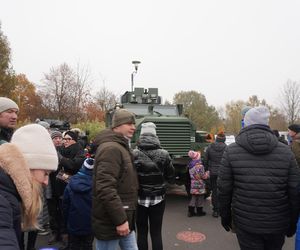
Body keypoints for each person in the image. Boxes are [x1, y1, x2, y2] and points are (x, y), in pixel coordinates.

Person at [218, 106, 300, 250]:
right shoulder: (286, 152)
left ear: (246, 123)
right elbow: (294, 191)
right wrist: (292, 223)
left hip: (245, 224)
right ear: (266, 124)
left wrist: (225, 217)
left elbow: (224, 189)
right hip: (277, 224)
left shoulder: (231, 151)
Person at [0, 124, 58, 250]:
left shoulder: (8, 191)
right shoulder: (3, 200)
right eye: (45, 173)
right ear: (29, 166)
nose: (46, 182)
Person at [92, 109, 138, 250]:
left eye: (134, 124)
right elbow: (105, 188)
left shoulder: (120, 147)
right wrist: (120, 220)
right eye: (129, 123)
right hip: (111, 223)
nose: (133, 127)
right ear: (117, 126)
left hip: (123, 219)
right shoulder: (111, 149)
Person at [133, 122, 174, 250]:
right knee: (156, 233)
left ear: (141, 135)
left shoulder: (133, 153)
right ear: (155, 135)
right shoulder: (164, 154)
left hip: (139, 199)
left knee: (141, 233)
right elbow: (171, 177)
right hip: (158, 198)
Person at [56, 130, 85, 249]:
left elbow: (74, 165)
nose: (65, 141)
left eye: (68, 139)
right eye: (64, 139)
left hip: (74, 188)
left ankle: (73, 241)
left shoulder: (79, 151)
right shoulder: (61, 150)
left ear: (74, 140)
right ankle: (64, 237)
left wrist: (61, 159)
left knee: (72, 214)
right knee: (61, 212)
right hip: (60, 187)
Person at [63, 158, 94, 250]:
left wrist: (65, 223)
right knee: (88, 246)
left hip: (73, 223)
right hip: (90, 224)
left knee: (74, 245)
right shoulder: (96, 184)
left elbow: (65, 205)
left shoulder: (71, 183)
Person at [203, 131, 227, 218]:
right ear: (224, 139)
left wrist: (205, 170)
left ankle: (215, 210)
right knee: (222, 191)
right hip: (223, 173)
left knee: (214, 190)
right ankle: (221, 209)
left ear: (216, 138)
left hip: (212, 172)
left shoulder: (210, 147)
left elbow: (205, 159)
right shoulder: (226, 148)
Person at [47, 130, 64, 245]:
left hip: (62, 186)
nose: (58, 140)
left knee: (62, 211)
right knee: (52, 212)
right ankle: (54, 232)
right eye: (55, 138)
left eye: (59, 138)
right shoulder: (47, 151)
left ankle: (63, 234)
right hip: (50, 186)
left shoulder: (65, 151)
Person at [187, 150, 209, 217]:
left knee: (193, 197)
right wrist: (208, 173)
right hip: (200, 184)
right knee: (200, 198)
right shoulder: (200, 166)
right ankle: (199, 212)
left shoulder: (190, 165)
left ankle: (191, 212)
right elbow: (203, 176)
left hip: (193, 183)